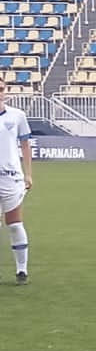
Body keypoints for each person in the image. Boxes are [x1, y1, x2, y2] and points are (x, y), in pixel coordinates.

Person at [0, 78, 33, 285]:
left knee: (14, 223)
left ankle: (22, 270)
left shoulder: (17, 116)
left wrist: (28, 174)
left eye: (1, 88)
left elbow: (25, 145)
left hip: (11, 177)